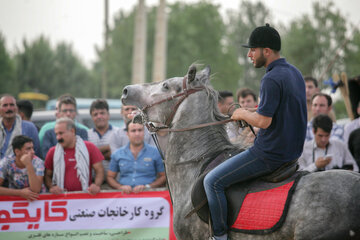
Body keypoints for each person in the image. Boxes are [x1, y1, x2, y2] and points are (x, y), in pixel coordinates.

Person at [204, 23, 307, 240]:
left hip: (269, 154)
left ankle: (220, 237)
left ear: (266, 51)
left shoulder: (270, 78)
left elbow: (263, 122)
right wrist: (250, 110)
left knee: (211, 181)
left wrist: (241, 113)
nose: (250, 54)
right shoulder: (295, 73)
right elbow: (276, 112)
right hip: (292, 153)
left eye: (253, 49)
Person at [44, 118, 104, 195]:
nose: (58, 138)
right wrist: (52, 187)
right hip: (62, 198)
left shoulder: (90, 147)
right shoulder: (53, 152)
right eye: (56, 134)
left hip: (86, 197)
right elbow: (47, 175)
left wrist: (96, 185)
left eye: (61, 133)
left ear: (72, 131)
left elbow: (99, 170)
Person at [107, 121, 166, 194]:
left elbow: (164, 176)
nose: (137, 134)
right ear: (127, 134)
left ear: (144, 132)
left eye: (140, 130)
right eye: (133, 131)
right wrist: (120, 187)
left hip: (149, 196)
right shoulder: (117, 154)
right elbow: (110, 177)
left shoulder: (156, 152)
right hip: (124, 197)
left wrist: (148, 187)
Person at [0, 135, 45, 201]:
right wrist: (20, 193)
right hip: (15, 201)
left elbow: (36, 190)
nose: (33, 152)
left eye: (32, 148)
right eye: (28, 149)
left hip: (38, 201)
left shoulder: (38, 162)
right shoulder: (6, 162)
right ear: (17, 151)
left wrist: (28, 164)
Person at [0, 94, 41, 159]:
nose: (9, 108)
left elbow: (36, 154)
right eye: (5, 105)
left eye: (12, 105)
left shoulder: (29, 127)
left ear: (16, 108)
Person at [87, 99, 119, 181]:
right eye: (95, 114)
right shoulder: (87, 135)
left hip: (116, 183)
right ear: (91, 117)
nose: (99, 116)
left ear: (108, 115)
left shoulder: (118, 133)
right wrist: (108, 148)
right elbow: (86, 157)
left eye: (102, 113)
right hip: (94, 185)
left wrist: (94, 155)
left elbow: (118, 156)